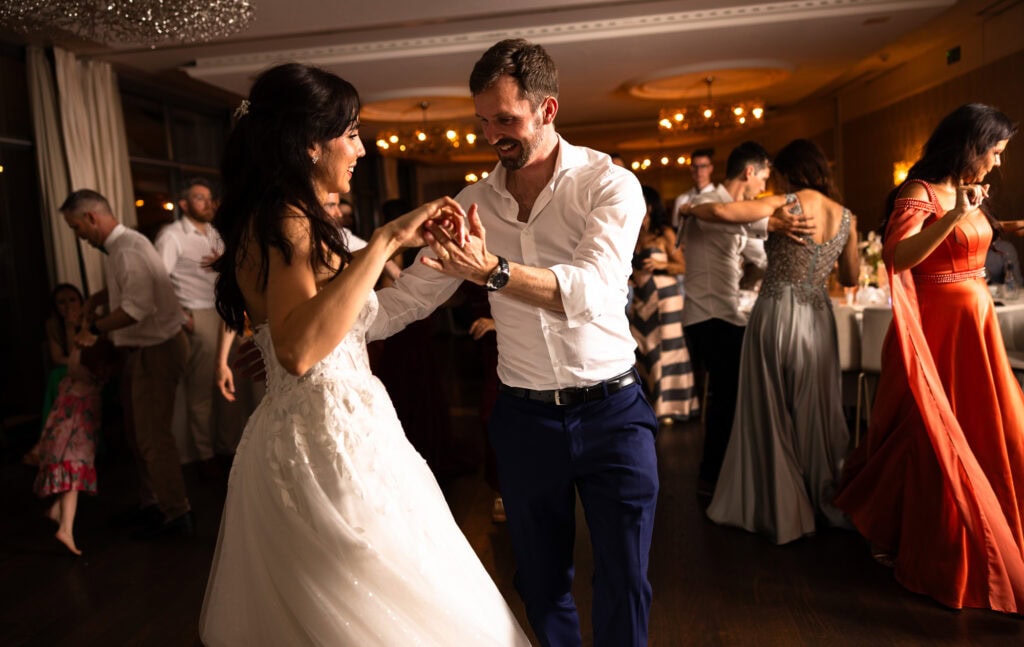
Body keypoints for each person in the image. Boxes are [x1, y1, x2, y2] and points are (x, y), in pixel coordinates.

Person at [198, 62, 529, 646]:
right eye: (350, 133)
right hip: (327, 439)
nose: (361, 148)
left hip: (320, 429)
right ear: (308, 143)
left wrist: (413, 254)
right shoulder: (288, 219)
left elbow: (304, 328)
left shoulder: (285, 218)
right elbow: (300, 351)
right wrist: (384, 241)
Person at [370, 38, 660, 647]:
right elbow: (407, 301)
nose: (491, 135)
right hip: (524, 419)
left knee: (626, 577)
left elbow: (595, 291)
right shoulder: (472, 204)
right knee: (538, 578)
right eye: (482, 121)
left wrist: (492, 272)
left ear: (548, 110)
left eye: (506, 120)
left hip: (613, 413)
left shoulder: (610, 185)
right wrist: (318, 332)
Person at [835, 103, 1024, 613]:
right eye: (996, 152)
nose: (998, 163)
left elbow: (963, 244)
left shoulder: (968, 190)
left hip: (976, 324)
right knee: (929, 430)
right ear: (971, 145)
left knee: (999, 427)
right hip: (936, 325)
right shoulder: (919, 192)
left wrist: (999, 225)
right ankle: (913, 534)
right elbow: (900, 257)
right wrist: (960, 214)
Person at [691, 139, 859, 544]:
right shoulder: (848, 216)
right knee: (817, 409)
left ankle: (783, 508)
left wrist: (692, 207)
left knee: (768, 407)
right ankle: (823, 498)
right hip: (818, 317)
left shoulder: (785, 203)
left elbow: (716, 210)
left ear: (789, 173)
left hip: (775, 312)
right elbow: (852, 278)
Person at [680, 141, 812, 499]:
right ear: (749, 172)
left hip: (724, 314)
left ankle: (729, 477)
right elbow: (729, 218)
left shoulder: (735, 210)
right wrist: (771, 220)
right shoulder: (706, 204)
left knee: (735, 397)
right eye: (764, 178)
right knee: (728, 399)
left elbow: (758, 253)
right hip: (709, 316)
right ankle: (713, 480)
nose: (763, 188)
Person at [62, 189, 192, 539]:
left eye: (76, 227)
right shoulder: (122, 248)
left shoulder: (127, 248)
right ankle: (153, 504)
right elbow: (130, 291)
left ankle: (177, 514)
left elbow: (137, 308)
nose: (79, 236)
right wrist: (99, 298)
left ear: (91, 218)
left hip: (158, 349)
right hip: (143, 350)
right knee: (138, 435)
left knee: (153, 437)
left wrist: (93, 329)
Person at [155, 177, 225, 476]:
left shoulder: (215, 234)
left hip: (226, 315)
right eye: (199, 198)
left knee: (227, 387)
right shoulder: (171, 235)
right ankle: (203, 455)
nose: (207, 203)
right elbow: (157, 281)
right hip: (198, 313)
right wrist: (184, 318)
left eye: (209, 198)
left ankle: (225, 448)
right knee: (200, 392)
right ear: (183, 204)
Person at [33, 284, 110, 555]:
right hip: (76, 407)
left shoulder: (95, 336)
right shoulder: (76, 337)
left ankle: (58, 514)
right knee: (73, 465)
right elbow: (73, 368)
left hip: (82, 405)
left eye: (74, 302)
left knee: (74, 462)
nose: (70, 308)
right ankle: (65, 528)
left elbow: (87, 369)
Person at [629, 184, 699, 423]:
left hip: (666, 299)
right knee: (640, 349)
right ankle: (648, 405)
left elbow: (683, 266)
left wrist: (661, 266)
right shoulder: (632, 234)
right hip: (641, 301)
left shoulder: (665, 233)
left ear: (649, 206)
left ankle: (668, 408)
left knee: (667, 352)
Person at [23, 284, 86, 466]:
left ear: (81, 301)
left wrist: (76, 326)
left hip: (90, 370)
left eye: (72, 300)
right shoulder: (53, 324)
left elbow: (87, 356)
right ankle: (50, 443)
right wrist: (67, 327)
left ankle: (51, 445)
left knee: (65, 379)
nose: (68, 306)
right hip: (69, 369)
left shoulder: (91, 320)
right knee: (58, 377)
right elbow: (58, 358)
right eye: (62, 302)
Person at [671, 147, 716, 230]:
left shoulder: (719, 198)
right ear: (691, 168)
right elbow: (676, 229)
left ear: (710, 168)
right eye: (695, 166)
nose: (698, 171)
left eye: (703, 166)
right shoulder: (681, 199)